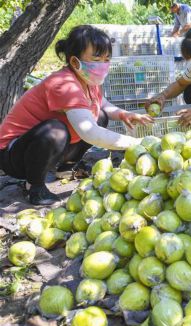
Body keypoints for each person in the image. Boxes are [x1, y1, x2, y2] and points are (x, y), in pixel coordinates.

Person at [0, 25, 153, 205]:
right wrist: (137, 144)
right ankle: (34, 186)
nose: (103, 64)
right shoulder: (63, 84)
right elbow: (90, 133)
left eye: (107, 59)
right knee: (56, 131)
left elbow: (101, 104)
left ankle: (65, 168)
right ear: (74, 62)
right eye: (97, 58)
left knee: (100, 116)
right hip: (13, 154)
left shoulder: (88, 81)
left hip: (43, 148)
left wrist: (122, 114)